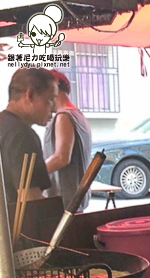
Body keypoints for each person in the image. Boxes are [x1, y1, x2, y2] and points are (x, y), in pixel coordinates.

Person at [0, 68, 56, 221]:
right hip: (14, 236)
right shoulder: (22, 135)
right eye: (50, 100)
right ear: (30, 95)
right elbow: (31, 201)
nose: (55, 108)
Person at [44, 70, 92, 213]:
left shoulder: (64, 116)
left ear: (55, 85)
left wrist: (34, 176)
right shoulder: (78, 115)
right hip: (74, 202)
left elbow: (61, 158)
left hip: (63, 204)